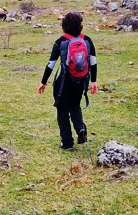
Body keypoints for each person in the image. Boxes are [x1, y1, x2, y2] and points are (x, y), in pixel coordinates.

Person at [38, 12, 98, 150]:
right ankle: (80, 128)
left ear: (64, 26)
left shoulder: (60, 41)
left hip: (63, 83)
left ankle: (67, 143)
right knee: (75, 105)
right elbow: (93, 62)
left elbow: (51, 64)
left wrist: (43, 82)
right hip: (81, 81)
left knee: (62, 110)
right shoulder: (87, 40)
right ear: (80, 26)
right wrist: (93, 81)